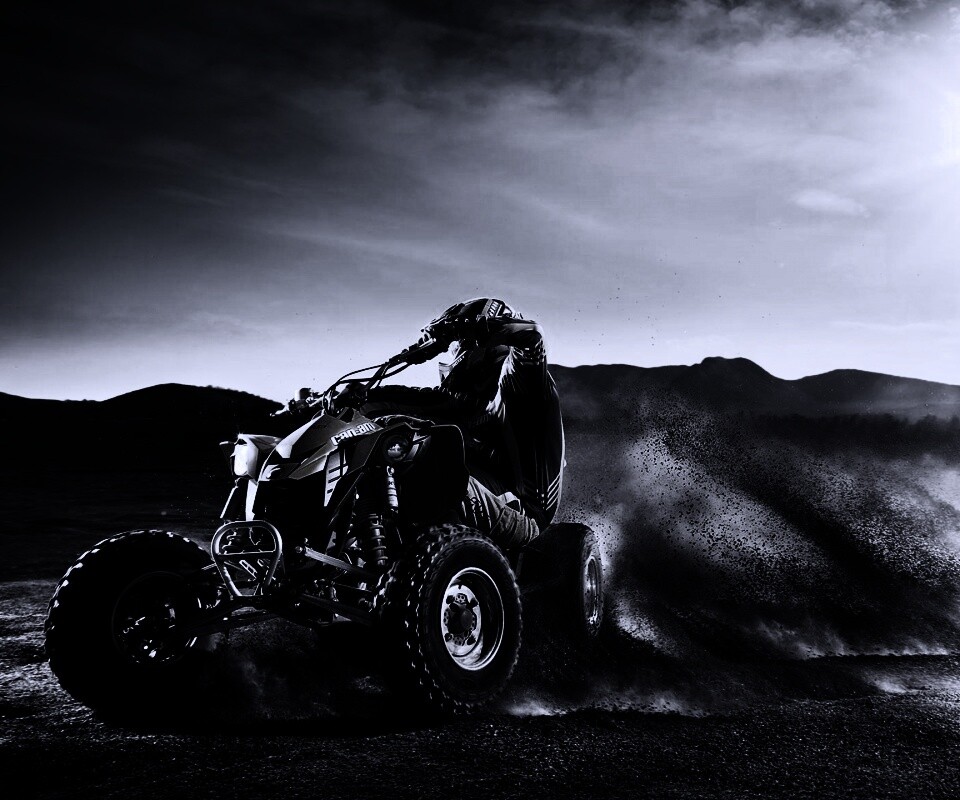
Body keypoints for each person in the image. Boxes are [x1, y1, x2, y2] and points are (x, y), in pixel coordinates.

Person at [359, 298, 565, 551]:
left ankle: (440, 562)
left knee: (428, 456)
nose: (454, 349)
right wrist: (346, 399)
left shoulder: (517, 384)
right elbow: (397, 400)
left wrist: (478, 327)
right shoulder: (455, 400)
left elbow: (533, 338)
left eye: (458, 342)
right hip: (478, 495)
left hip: (521, 511)